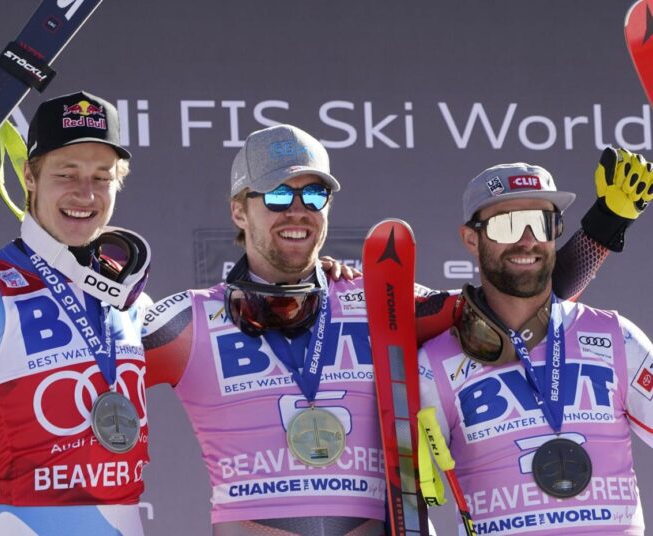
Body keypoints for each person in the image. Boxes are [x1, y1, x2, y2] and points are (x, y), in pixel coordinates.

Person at [141, 123, 645, 535]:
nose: (296, 210)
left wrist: (601, 230)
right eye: (275, 194)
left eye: (313, 194)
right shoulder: (187, 321)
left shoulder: (383, 298)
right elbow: (92, 364)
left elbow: (520, 301)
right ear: (238, 209)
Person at [0, 91, 155, 535]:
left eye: (102, 176)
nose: (85, 193)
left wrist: (321, 281)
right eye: (67, 173)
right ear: (30, 177)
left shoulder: (128, 299)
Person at [418, 159, 653, 534]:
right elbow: (400, 496)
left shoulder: (616, 338)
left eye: (541, 223)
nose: (527, 239)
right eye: (507, 224)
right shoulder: (433, 363)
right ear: (470, 238)